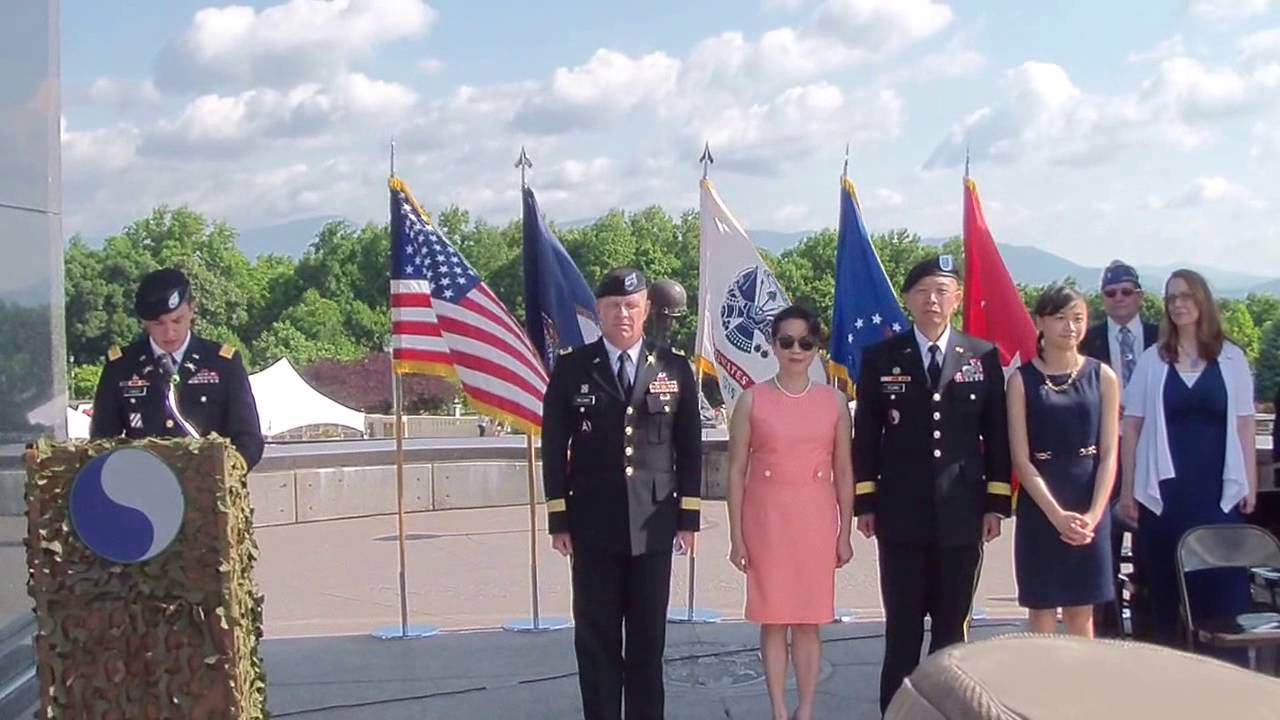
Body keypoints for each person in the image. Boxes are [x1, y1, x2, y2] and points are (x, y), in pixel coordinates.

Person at [852, 255, 1012, 714]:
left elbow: (996, 434)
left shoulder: (982, 356)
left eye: (942, 290)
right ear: (907, 299)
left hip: (962, 516)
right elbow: (866, 435)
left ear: (957, 299)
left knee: (951, 634)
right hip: (900, 517)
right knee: (901, 633)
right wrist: (867, 501)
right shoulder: (882, 357)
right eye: (922, 291)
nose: (932, 300)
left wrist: (995, 505)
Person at [541, 267, 702, 720]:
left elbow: (689, 446)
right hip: (593, 525)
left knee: (648, 642)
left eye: (632, 305)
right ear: (599, 312)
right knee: (596, 640)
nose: (623, 314)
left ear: (647, 308)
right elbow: (554, 446)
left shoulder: (673, 366)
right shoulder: (574, 367)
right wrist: (559, 518)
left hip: (654, 525)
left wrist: (688, 519)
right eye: (613, 306)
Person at [1119, 269, 1258, 654]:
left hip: (1217, 492)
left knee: (1222, 590)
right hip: (1165, 494)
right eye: (1171, 298)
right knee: (1166, 593)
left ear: (1202, 301)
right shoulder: (1153, 360)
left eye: (1186, 296)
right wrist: (1128, 489)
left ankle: (1227, 683)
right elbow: (1130, 428)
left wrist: (1249, 481)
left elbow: (1245, 425)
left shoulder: (1231, 358)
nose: (1178, 304)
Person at [726, 305, 854, 720]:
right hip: (766, 518)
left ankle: (807, 708)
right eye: (786, 342)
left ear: (816, 347)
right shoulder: (751, 400)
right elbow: (736, 471)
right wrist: (736, 536)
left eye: (805, 342)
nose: (796, 350)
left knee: (809, 619)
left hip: (816, 516)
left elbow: (844, 469)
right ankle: (779, 709)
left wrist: (844, 531)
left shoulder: (834, 402)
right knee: (774, 617)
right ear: (772, 345)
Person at [1007, 285, 1120, 637]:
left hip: (1089, 499)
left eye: (1078, 319)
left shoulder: (1103, 376)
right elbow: (1021, 459)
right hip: (1042, 504)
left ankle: (1081, 690)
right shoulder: (1021, 380)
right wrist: (1056, 515)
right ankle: (1042, 690)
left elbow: (1109, 452)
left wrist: (1093, 515)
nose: (1070, 327)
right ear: (1040, 321)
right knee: (1041, 610)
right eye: (1060, 318)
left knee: (1081, 612)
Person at [90, 268, 264, 469]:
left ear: (192, 309)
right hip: (144, 487)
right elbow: (102, 440)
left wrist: (228, 470)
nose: (169, 332)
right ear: (144, 323)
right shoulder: (121, 366)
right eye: (158, 324)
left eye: (177, 320)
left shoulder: (222, 363)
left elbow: (248, 438)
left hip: (208, 487)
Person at [1080, 260, 1159, 636]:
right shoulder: (1086, 341)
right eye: (1111, 293)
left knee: (1151, 553)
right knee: (1102, 554)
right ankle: (1107, 635)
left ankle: (1148, 634)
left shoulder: (1164, 339)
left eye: (1127, 291)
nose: (1119, 299)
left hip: (1152, 457)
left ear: (1140, 296)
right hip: (1102, 458)